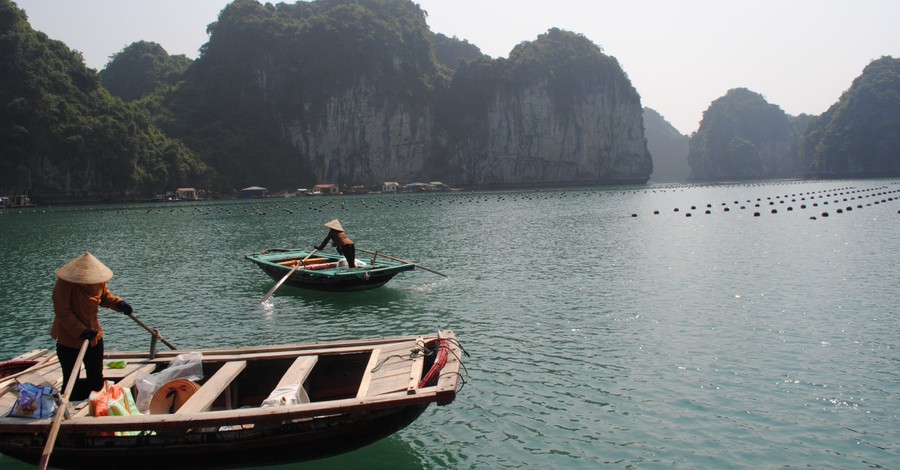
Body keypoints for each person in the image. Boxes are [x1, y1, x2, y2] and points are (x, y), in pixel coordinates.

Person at [51, 252, 133, 400]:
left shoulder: (97, 281)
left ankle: (97, 409)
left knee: (96, 377)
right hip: (69, 340)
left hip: (94, 336)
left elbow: (105, 297)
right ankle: (68, 413)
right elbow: (62, 312)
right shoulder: (65, 284)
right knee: (71, 380)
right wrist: (81, 331)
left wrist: (119, 304)